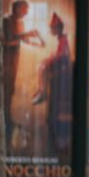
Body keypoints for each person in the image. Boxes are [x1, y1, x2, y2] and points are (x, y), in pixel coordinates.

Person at [2, 0, 44, 146]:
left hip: (13, 63)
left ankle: (7, 115)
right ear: (17, 8)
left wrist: (35, 42)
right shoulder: (7, 21)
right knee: (6, 89)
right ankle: (5, 117)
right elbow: (7, 40)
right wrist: (27, 35)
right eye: (24, 9)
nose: (26, 13)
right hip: (5, 63)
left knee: (11, 90)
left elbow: (21, 40)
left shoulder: (19, 23)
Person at [32, 12, 73, 157]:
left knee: (42, 66)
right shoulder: (61, 40)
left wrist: (49, 61)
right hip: (59, 76)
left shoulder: (64, 41)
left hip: (61, 76)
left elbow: (63, 55)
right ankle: (41, 90)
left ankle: (42, 91)